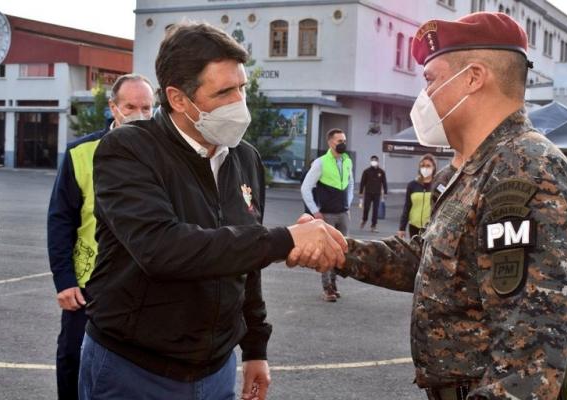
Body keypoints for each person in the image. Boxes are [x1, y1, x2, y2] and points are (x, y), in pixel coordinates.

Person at [290, 12, 567, 399]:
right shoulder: (470, 168)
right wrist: (340, 250)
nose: (425, 96)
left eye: (430, 80)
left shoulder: (526, 175)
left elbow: (530, 364)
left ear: (472, 78)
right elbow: (430, 259)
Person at [78, 22, 346, 400]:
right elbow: (162, 248)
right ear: (178, 98)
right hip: (134, 371)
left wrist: (255, 348)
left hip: (215, 371)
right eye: (224, 92)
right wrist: (286, 239)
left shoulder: (245, 157)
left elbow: (245, 262)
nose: (239, 102)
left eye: (241, 88)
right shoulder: (129, 149)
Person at [47, 74, 155, 400]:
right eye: (131, 106)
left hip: (147, 283)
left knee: (140, 367)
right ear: (113, 107)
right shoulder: (82, 153)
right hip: (88, 283)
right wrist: (64, 280)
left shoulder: (167, 155)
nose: (139, 114)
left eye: (147, 107)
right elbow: (60, 220)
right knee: (73, 357)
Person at [301, 128, 354, 302]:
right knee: (326, 251)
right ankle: (327, 289)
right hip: (327, 214)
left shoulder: (347, 161)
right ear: (330, 143)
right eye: (339, 141)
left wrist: (348, 204)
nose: (343, 144)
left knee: (341, 251)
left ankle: (334, 283)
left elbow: (351, 184)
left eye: (344, 140)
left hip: (343, 213)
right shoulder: (321, 163)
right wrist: (315, 211)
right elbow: (305, 188)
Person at [397, 154, 436, 239]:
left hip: (431, 228)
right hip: (414, 226)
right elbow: (407, 206)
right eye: (422, 166)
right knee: (415, 251)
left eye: (428, 166)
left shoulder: (437, 185)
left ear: (434, 168)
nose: (425, 168)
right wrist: (402, 228)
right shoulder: (412, 185)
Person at [359, 155, 388, 232]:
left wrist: (385, 192)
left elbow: (384, 182)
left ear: (378, 162)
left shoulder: (381, 172)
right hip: (368, 193)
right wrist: (361, 192)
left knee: (375, 210)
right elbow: (362, 182)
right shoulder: (366, 171)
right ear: (370, 161)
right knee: (366, 208)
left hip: (377, 194)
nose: (374, 162)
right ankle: (364, 220)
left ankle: (373, 225)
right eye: (372, 160)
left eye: (375, 160)